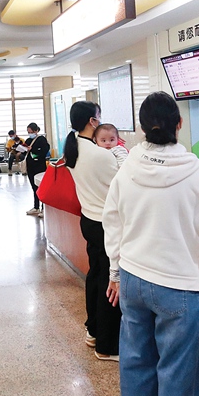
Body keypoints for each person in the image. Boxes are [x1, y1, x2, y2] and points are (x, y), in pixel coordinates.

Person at [103, 92, 199, 396]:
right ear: (179, 124)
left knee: (135, 368)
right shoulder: (196, 174)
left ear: (141, 128)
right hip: (177, 285)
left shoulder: (127, 167)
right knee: (180, 379)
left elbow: (112, 221)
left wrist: (115, 271)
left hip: (132, 278)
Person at [64, 102, 121, 360]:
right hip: (106, 224)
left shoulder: (74, 149)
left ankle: (93, 331)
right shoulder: (101, 155)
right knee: (111, 282)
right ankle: (107, 347)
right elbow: (123, 186)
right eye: (99, 116)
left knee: (96, 276)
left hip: (89, 220)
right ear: (92, 121)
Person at [23, 123, 50, 217]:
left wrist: (33, 149)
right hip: (30, 166)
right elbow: (24, 152)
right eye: (28, 132)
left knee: (41, 187)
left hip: (39, 166)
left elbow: (44, 151)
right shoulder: (28, 140)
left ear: (36, 131)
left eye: (31, 132)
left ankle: (43, 208)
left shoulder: (41, 139)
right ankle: (36, 206)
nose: (30, 134)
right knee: (34, 187)